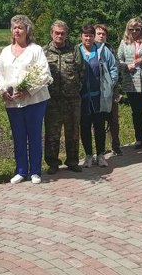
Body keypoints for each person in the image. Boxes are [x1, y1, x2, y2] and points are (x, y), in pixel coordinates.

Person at [0, 15, 51, 185]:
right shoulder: (5, 51)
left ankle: (35, 171)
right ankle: (21, 170)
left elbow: (44, 74)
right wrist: (2, 90)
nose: (17, 30)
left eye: (20, 27)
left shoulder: (36, 50)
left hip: (34, 101)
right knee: (18, 136)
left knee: (34, 135)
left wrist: (27, 90)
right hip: (12, 101)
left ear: (27, 30)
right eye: (14, 27)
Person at [76, 24, 118, 168]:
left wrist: (110, 85)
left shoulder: (102, 50)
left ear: (94, 37)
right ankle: (88, 156)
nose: (88, 38)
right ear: (81, 36)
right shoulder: (77, 51)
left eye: (91, 35)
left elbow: (113, 67)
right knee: (85, 128)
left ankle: (100, 155)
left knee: (99, 127)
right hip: (82, 98)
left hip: (99, 97)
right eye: (85, 35)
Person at [43, 20, 82, 174]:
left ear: (66, 34)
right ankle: (53, 163)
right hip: (52, 100)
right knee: (52, 133)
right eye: (57, 33)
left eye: (62, 33)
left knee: (73, 132)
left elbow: (81, 71)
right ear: (51, 33)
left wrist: (75, 89)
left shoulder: (74, 50)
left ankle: (72, 161)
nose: (59, 36)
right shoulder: (44, 51)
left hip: (72, 99)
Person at [117, 18, 142, 149]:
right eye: (131, 29)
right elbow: (118, 59)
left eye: (137, 29)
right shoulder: (124, 42)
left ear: (141, 29)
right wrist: (127, 66)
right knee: (136, 112)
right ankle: (138, 137)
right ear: (128, 29)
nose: (134, 32)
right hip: (131, 82)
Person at [95, 24, 122, 156]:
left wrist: (110, 85)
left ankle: (115, 146)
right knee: (97, 121)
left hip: (111, 90)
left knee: (113, 119)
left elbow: (115, 68)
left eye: (103, 34)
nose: (101, 36)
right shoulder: (89, 48)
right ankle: (99, 148)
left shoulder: (110, 49)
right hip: (94, 92)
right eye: (98, 33)